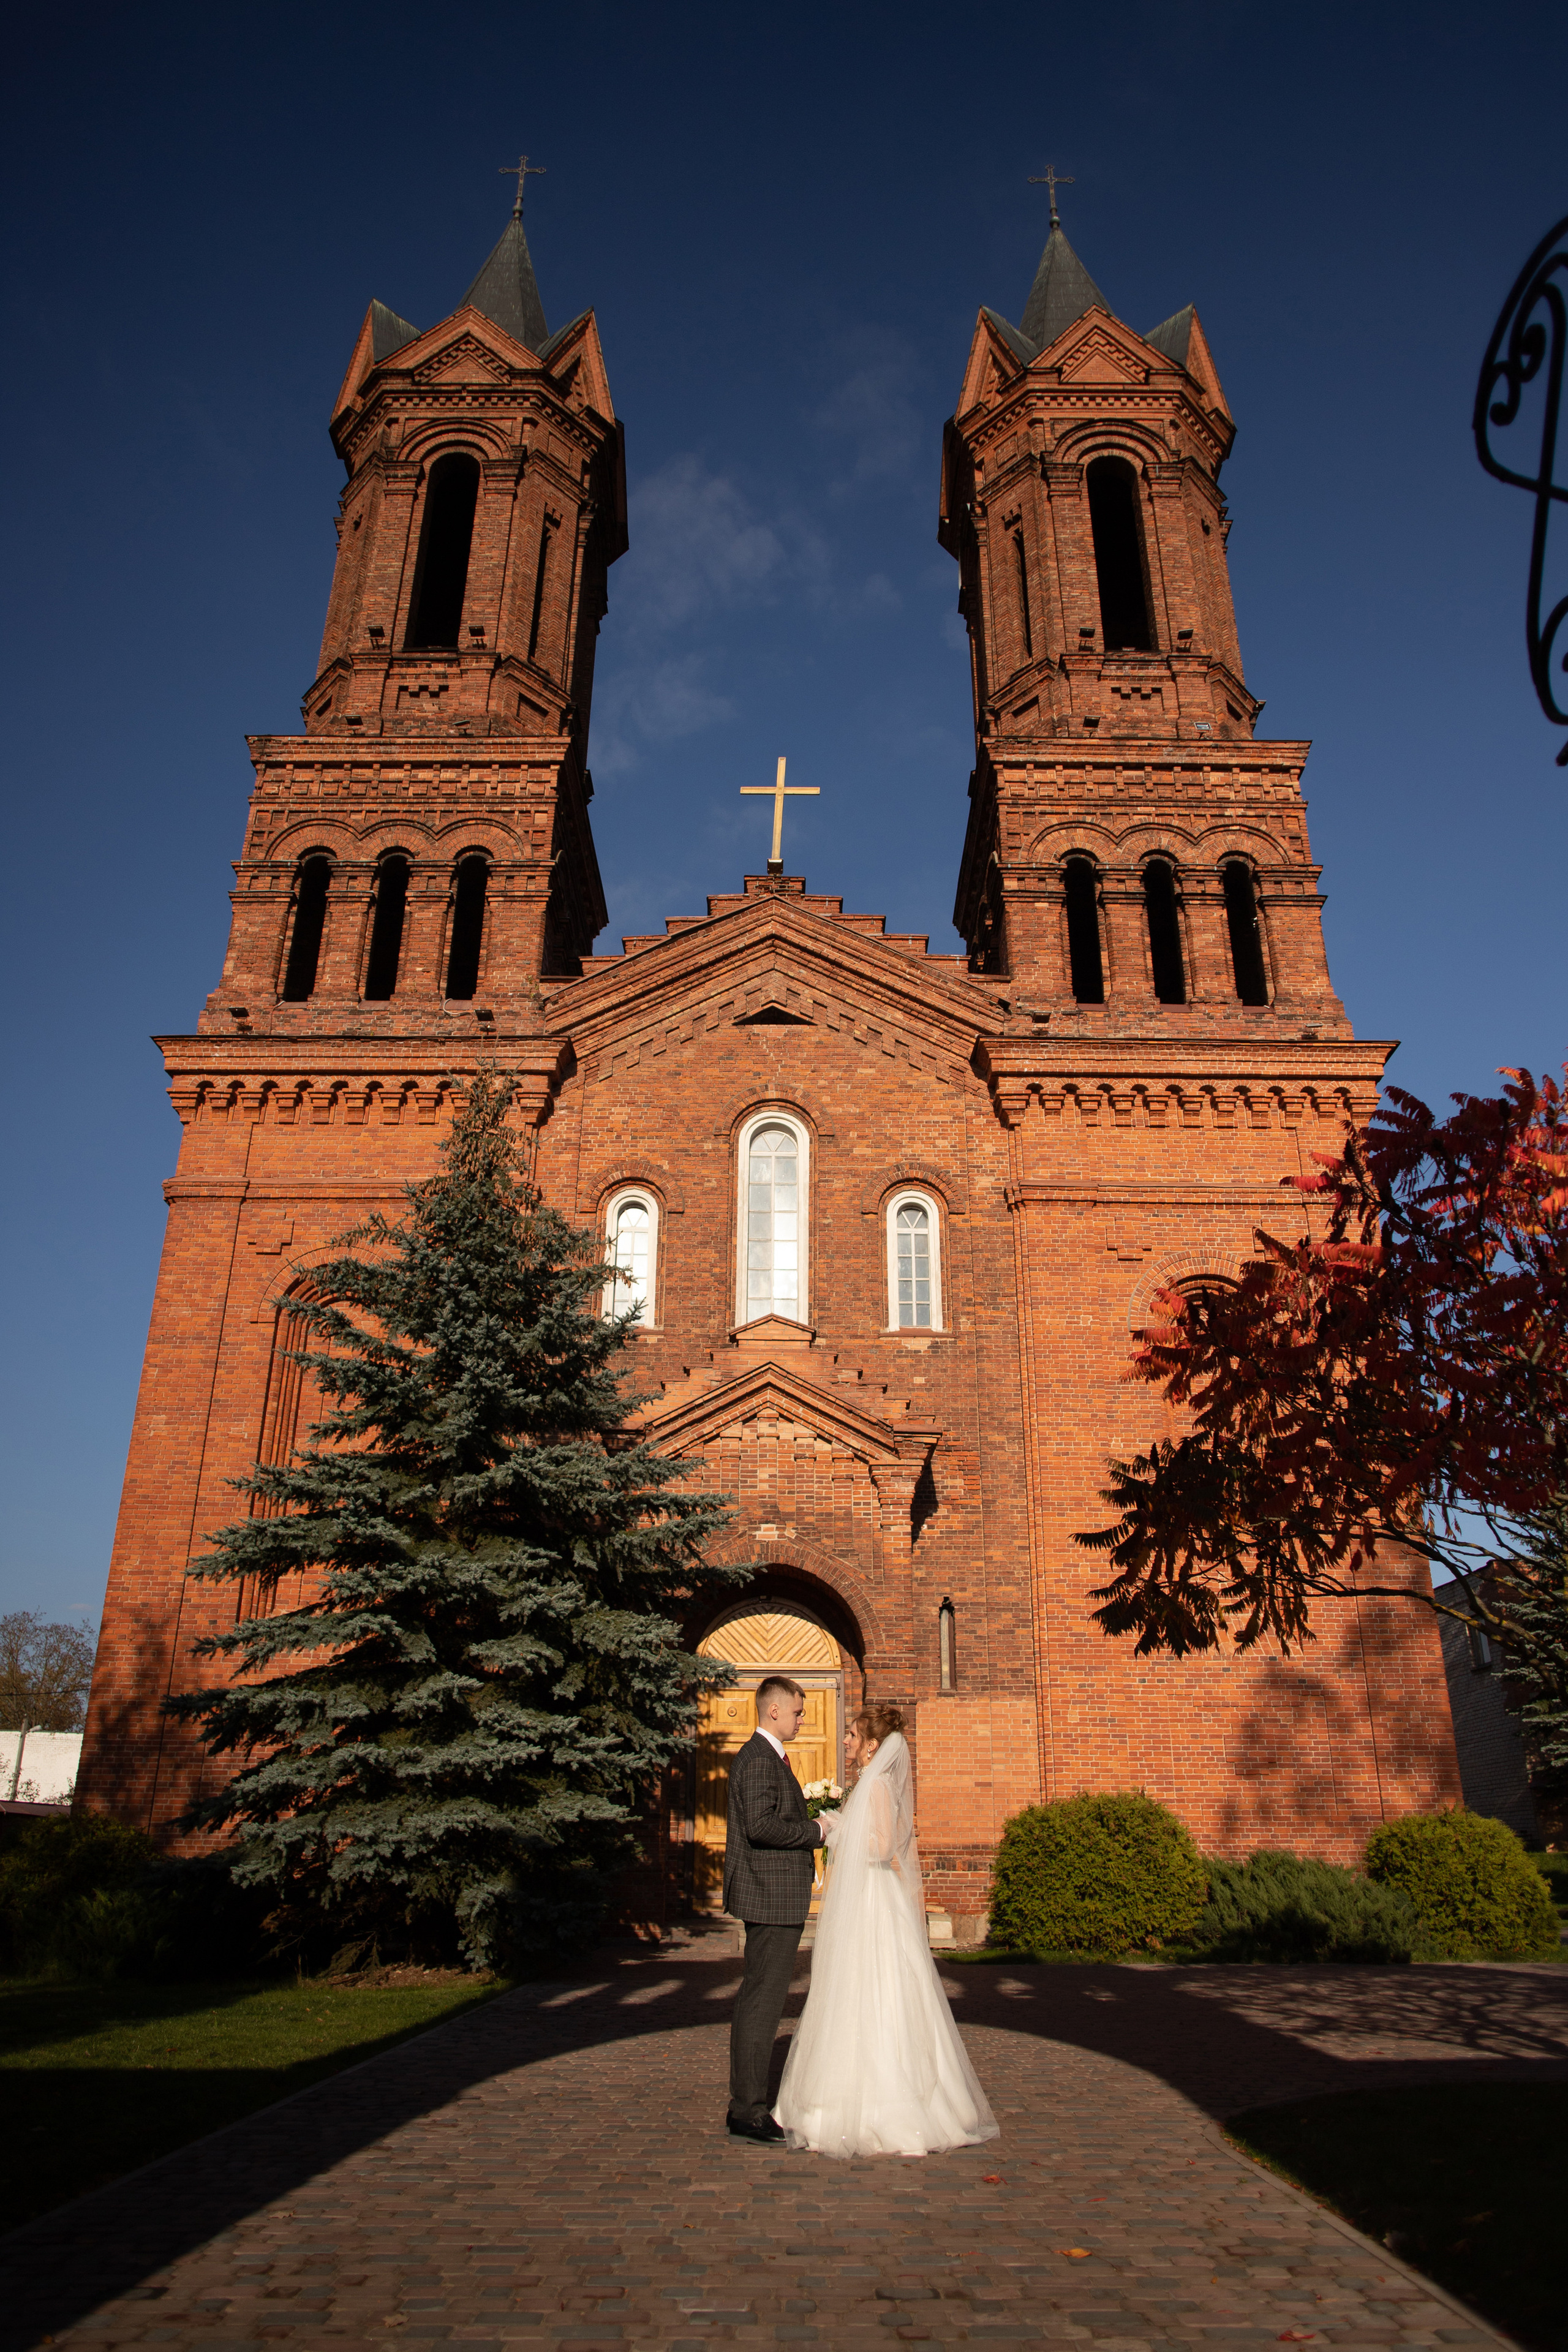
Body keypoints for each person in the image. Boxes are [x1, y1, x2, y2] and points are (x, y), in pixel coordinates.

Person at [774, 1702, 999, 2158]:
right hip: (870, 1895)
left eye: (853, 1736)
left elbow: (879, 1846)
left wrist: (838, 1829)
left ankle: (880, 2104)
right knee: (861, 1988)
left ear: (873, 1745)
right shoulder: (872, 1783)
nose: (845, 1741)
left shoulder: (875, 1785)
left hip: (873, 1897)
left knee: (871, 1988)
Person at [724, 1673, 832, 2142]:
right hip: (769, 1895)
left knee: (762, 1997)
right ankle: (747, 2109)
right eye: (798, 1710)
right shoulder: (759, 1760)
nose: (802, 1718)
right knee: (763, 2001)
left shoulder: (768, 1758)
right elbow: (761, 1827)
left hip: (776, 1894)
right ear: (774, 1710)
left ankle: (748, 2102)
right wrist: (817, 1832)